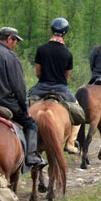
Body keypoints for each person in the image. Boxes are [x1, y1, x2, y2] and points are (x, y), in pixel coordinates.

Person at [0, 27, 46, 168]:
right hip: (5, 104)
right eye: (15, 41)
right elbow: (18, 87)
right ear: (9, 39)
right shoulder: (10, 56)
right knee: (31, 124)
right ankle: (31, 156)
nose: (15, 45)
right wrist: (24, 108)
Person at [28, 17, 82, 154]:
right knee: (78, 112)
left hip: (41, 87)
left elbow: (38, 72)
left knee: (23, 106)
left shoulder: (41, 49)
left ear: (52, 30)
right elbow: (67, 77)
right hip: (61, 88)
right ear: (65, 33)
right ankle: (70, 143)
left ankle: (24, 139)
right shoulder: (67, 53)